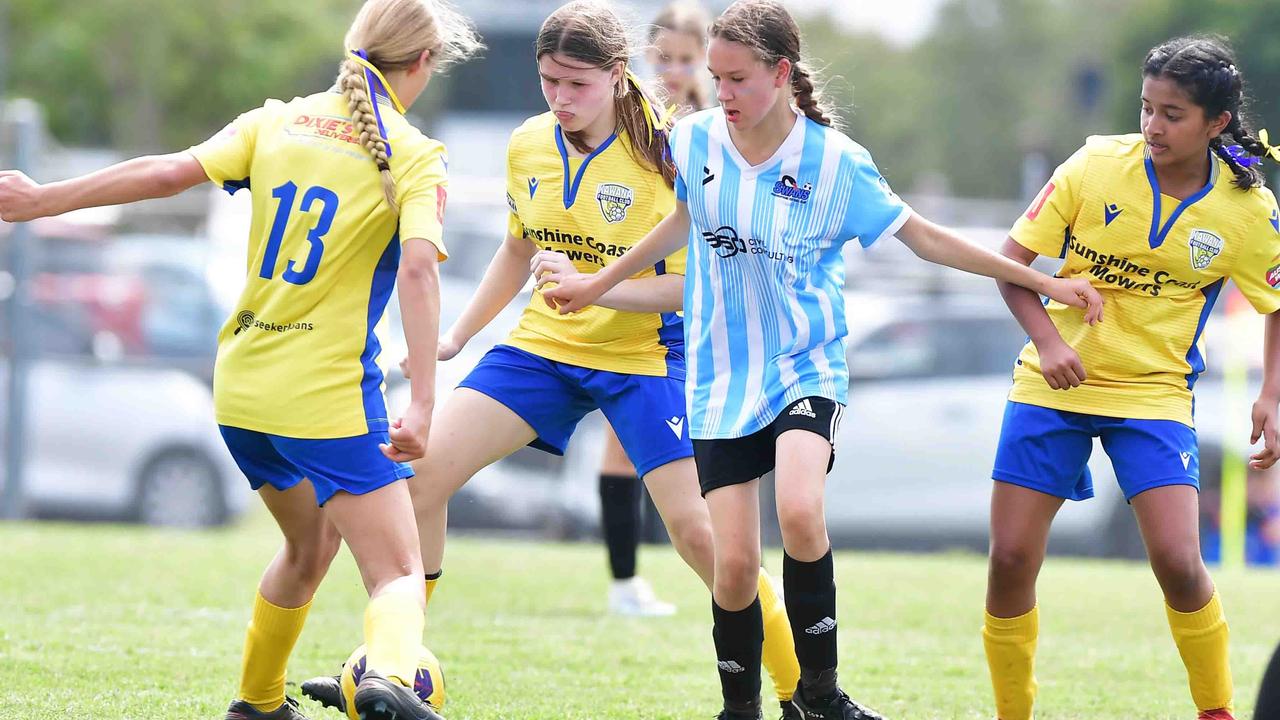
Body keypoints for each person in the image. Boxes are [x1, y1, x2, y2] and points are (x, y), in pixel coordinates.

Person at [537, 2, 1103, 718]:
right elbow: (680, 221)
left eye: (738, 79)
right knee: (734, 564)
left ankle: (821, 693)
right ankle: (739, 706)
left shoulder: (836, 164)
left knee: (800, 509)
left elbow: (926, 239)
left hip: (806, 365)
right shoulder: (695, 141)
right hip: (720, 374)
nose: (724, 94)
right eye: (716, 79)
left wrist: (1044, 279)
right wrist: (596, 284)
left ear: (780, 73)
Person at [304, 2, 803, 718]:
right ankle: (395, 665)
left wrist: (599, 291)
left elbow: (701, 282)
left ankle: (800, 691)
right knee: (413, 480)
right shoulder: (528, 144)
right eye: (549, 82)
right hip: (544, 349)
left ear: (617, 76)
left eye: (577, 85)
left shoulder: (674, 149)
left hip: (648, 357)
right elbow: (516, 247)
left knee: (703, 538)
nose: (561, 100)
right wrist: (458, 337)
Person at [0, 2, 481, 719]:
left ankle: (257, 704)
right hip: (324, 398)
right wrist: (424, 400)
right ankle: (384, 680)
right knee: (400, 573)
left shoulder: (275, 121)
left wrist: (40, 201)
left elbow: (166, 174)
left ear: (355, 48)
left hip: (243, 389)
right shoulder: (413, 155)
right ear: (421, 66)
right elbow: (419, 271)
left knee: (307, 548)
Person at [979, 35, 1280, 720]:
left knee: (1178, 561)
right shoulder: (1093, 166)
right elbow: (1011, 266)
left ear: (1217, 123)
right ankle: (1011, 714)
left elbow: (1277, 302)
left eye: (1172, 114)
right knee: (1009, 562)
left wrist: (1271, 395)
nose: (1153, 126)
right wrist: (1050, 342)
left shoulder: (1246, 211)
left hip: (1153, 396)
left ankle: (1216, 711)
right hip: (1050, 387)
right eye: (1147, 108)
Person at [597, 0, 714, 619]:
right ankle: (624, 583)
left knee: (701, 443)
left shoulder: (716, 125)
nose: (671, 70)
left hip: (700, 306)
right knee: (623, 446)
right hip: (642, 303)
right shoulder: (632, 120)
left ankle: (732, 571)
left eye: (685, 59)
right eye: (661, 57)